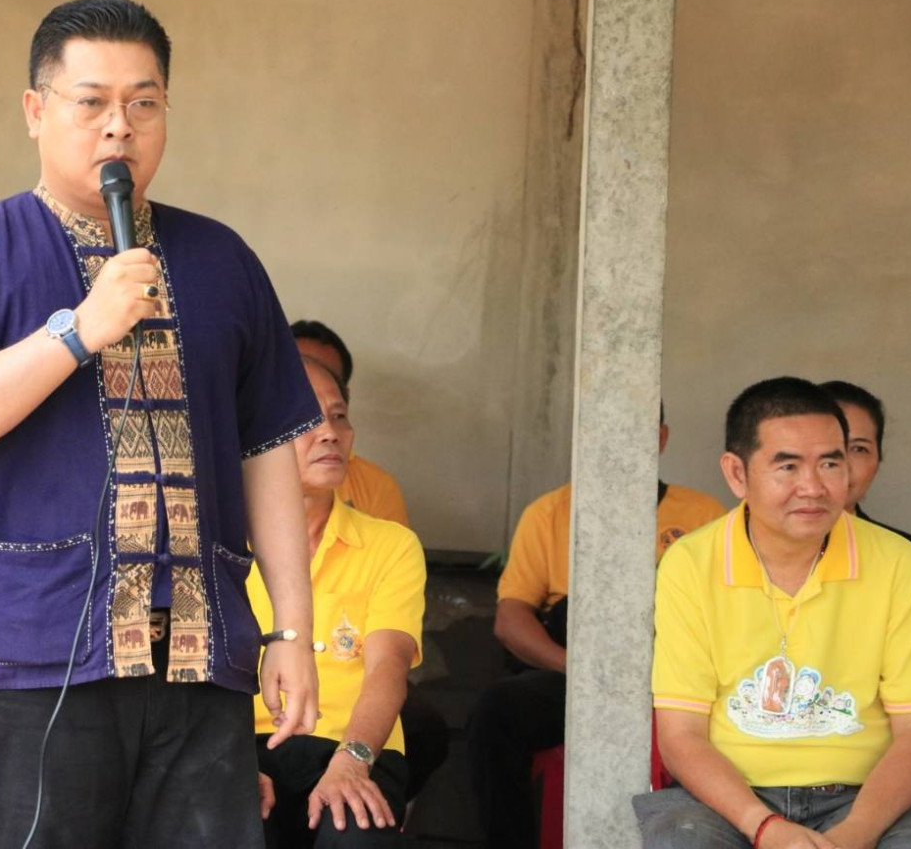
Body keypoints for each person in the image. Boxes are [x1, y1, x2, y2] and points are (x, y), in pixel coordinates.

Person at [0, 0, 321, 849]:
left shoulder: (223, 257)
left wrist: (291, 631)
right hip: (37, 651)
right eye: (91, 101)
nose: (119, 126)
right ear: (35, 110)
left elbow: (270, 450)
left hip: (200, 654)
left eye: (143, 103)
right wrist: (77, 331)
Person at [635, 377, 911, 847]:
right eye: (788, 466)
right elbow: (682, 735)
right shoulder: (691, 563)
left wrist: (854, 834)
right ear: (737, 474)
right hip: (729, 800)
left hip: (863, 798)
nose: (813, 487)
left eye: (831, 463)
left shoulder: (898, 562)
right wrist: (765, 827)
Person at [468, 408, 724, 849]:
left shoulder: (703, 513)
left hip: (671, 677)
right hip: (573, 674)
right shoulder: (549, 512)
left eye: (633, 430)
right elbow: (511, 621)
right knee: (497, 711)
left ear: (661, 437)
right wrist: (579, 670)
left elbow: (721, 617)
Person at [252, 358, 429, 848]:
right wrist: (228, 764)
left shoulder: (391, 545)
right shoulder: (221, 546)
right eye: (309, 418)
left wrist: (352, 761)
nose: (330, 433)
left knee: (354, 833)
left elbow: (388, 668)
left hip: (356, 749)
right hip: (245, 749)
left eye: (339, 416)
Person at [289, 321, 410, 530]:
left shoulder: (376, 491)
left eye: (337, 415)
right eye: (297, 370)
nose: (328, 433)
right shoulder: (228, 502)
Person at [819, 380, 911, 546]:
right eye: (826, 446)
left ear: (878, 459)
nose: (842, 464)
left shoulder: (907, 552)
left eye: (859, 449)